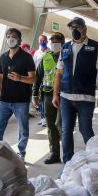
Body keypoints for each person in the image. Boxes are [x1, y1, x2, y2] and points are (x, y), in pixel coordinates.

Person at [52, 17, 98, 163]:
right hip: (65, 97)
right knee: (66, 132)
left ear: (84, 29)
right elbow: (59, 73)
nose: (74, 30)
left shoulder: (95, 46)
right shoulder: (65, 47)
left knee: (85, 130)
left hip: (86, 98)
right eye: (71, 27)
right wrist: (55, 95)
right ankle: (68, 164)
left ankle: (96, 160)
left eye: (77, 27)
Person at [0, 28, 36, 159]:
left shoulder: (27, 57)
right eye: (8, 36)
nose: (10, 39)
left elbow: (33, 79)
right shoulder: (3, 57)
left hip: (21, 101)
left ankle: (21, 153)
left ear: (19, 40)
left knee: (23, 129)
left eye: (13, 37)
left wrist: (20, 78)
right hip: (4, 100)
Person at [33, 32, 64, 163]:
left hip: (64, 96)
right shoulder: (46, 57)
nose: (54, 43)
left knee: (62, 125)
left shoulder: (68, 56)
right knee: (51, 126)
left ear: (63, 43)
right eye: (53, 41)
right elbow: (38, 76)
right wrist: (35, 93)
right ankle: (54, 154)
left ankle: (67, 154)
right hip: (47, 94)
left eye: (57, 41)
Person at [33, 35, 49, 127]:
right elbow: (34, 65)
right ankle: (42, 117)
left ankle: (45, 118)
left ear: (47, 41)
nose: (42, 42)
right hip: (37, 78)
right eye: (41, 40)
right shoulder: (36, 53)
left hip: (46, 78)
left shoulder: (50, 52)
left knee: (44, 99)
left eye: (44, 40)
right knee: (39, 98)